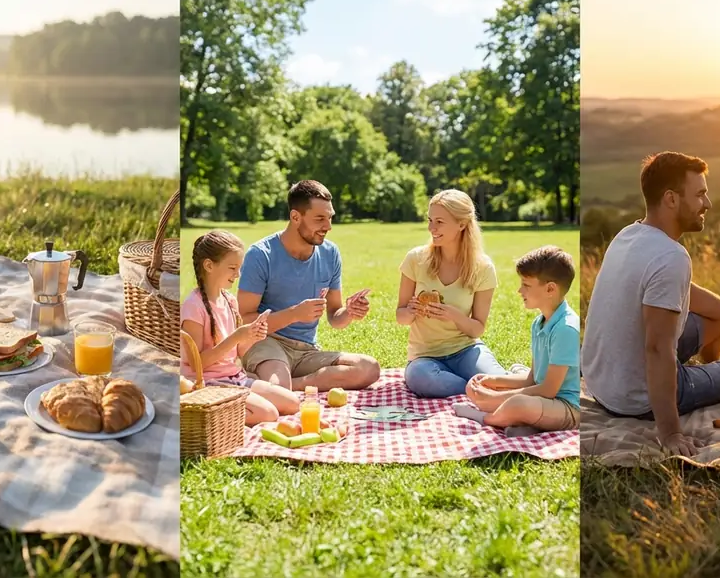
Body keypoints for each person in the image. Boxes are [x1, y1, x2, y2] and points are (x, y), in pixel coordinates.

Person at [580, 151, 720, 457]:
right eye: (699, 195)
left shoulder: (628, 235)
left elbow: (686, 294)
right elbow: (657, 349)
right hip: (635, 397)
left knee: (717, 319)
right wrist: (671, 433)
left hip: (601, 383)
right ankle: (699, 384)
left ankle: (705, 377)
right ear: (671, 199)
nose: (707, 204)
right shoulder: (671, 257)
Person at [237, 180, 381, 391]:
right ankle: (290, 383)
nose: (328, 226)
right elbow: (245, 320)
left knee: (369, 368)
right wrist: (295, 314)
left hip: (306, 351)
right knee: (278, 387)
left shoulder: (330, 254)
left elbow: (335, 317)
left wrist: (349, 312)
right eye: (320, 219)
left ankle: (289, 384)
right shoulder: (261, 255)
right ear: (295, 217)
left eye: (330, 217)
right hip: (266, 343)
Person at [453, 246, 580, 436]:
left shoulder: (566, 328)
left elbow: (548, 390)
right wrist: (493, 381)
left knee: (518, 404)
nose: (519, 290)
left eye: (526, 285)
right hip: (543, 403)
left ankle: (486, 417)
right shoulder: (539, 323)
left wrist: (495, 398)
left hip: (567, 408)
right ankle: (525, 425)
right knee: (487, 386)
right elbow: (533, 379)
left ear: (550, 289)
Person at [180, 230, 300, 425]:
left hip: (235, 378)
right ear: (209, 265)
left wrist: (251, 336)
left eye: (239, 268)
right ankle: (206, 417)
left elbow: (237, 353)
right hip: (207, 384)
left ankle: (230, 409)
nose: (238, 274)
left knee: (292, 403)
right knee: (268, 414)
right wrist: (236, 337)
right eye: (232, 268)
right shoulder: (194, 306)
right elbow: (196, 364)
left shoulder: (229, 300)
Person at [396, 189, 507, 398]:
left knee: (495, 381)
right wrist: (411, 311)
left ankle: (488, 385)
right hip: (424, 357)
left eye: (439, 221)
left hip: (466, 350)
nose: (431, 228)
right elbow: (400, 316)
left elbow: (477, 329)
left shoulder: (482, 267)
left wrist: (453, 315)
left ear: (462, 224)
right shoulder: (415, 259)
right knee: (422, 378)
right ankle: (478, 389)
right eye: (430, 220)